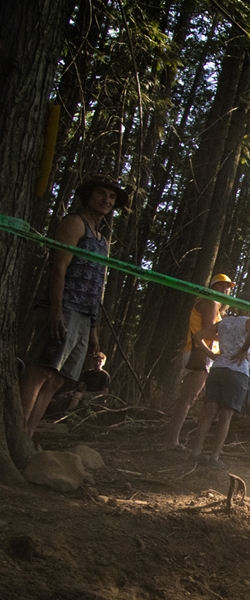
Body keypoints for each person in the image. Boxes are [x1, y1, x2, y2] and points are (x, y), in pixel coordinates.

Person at [20, 174, 127, 437]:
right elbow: (59, 267)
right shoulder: (74, 223)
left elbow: (95, 286)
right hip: (64, 306)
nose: (106, 200)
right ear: (89, 195)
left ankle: (27, 436)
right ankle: (14, 434)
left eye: (112, 196)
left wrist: (93, 330)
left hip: (84, 315)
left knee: (57, 379)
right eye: (101, 193)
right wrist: (56, 309)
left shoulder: (103, 240)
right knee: (41, 371)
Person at [191, 293, 250, 468]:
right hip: (237, 371)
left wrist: (211, 354)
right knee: (226, 415)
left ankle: (196, 451)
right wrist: (246, 352)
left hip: (218, 368)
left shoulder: (224, 322)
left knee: (209, 411)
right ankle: (215, 457)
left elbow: (198, 336)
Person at [164, 273, 234, 450]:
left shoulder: (215, 306)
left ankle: (174, 439)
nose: (226, 289)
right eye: (222, 285)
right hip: (199, 354)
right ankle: (172, 441)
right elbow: (207, 332)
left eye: (228, 287)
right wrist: (231, 337)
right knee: (188, 397)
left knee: (190, 397)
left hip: (203, 354)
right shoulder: (210, 301)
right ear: (213, 286)